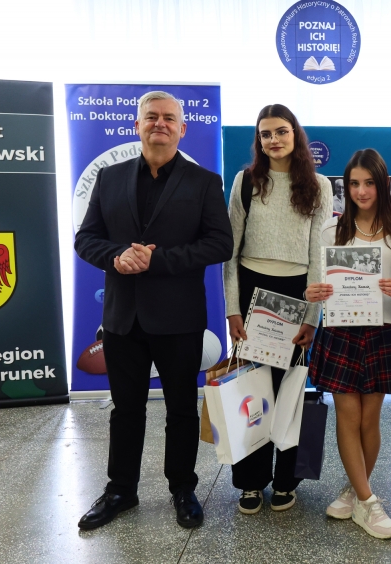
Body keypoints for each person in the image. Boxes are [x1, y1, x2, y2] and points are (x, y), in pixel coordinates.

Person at [75, 91, 233, 530]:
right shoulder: (109, 177)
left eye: (168, 118)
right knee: (126, 410)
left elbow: (220, 244)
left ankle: (183, 488)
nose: (159, 123)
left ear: (182, 128)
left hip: (179, 319)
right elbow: (85, 238)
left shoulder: (205, 182)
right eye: (151, 117)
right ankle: (120, 490)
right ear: (137, 125)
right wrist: (116, 256)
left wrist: (156, 260)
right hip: (122, 319)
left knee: (181, 409)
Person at [222, 104, 332, 514]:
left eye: (281, 131)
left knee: (291, 393)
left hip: (298, 293)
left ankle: (288, 479)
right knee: (251, 392)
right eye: (265, 133)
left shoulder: (319, 185)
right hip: (252, 290)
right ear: (259, 139)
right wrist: (232, 309)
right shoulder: (245, 181)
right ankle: (250, 482)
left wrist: (312, 317)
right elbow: (230, 253)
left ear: (295, 134)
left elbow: (319, 254)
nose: (273, 140)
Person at [305, 149, 391, 540]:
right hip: (341, 331)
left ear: (381, 185)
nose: (361, 191)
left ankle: (355, 488)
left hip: (382, 330)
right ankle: (368, 500)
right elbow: (318, 285)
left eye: (368, 183)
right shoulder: (331, 230)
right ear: (345, 188)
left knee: (370, 419)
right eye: (353, 184)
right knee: (348, 416)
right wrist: (312, 294)